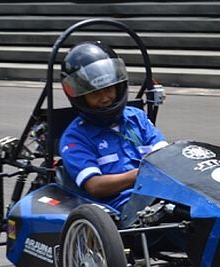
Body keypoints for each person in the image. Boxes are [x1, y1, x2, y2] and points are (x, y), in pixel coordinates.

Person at [58, 41, 167, 210]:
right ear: (81, 97)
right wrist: (140, 175)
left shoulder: (137, 118)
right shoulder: (75, 137)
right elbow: (94, 185)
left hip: (161, 195)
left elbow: (166, 155)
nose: (105, 98)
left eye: (109, 89)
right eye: (95, 93)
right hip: (121, 210)